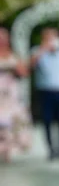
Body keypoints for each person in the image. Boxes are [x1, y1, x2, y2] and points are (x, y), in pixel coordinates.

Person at [31, 28, 59, 161]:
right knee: (47, 120)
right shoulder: (37, 52)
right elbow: (31, 65)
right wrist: (43, 49)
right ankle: (50, 149)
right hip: (46, 91)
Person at [0, 28, 30, 162]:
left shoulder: (14, 55)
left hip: (11, 91)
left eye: (4, 38)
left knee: (12, 119)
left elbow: (24, 73)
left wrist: (14, 69)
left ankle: (9, 149)